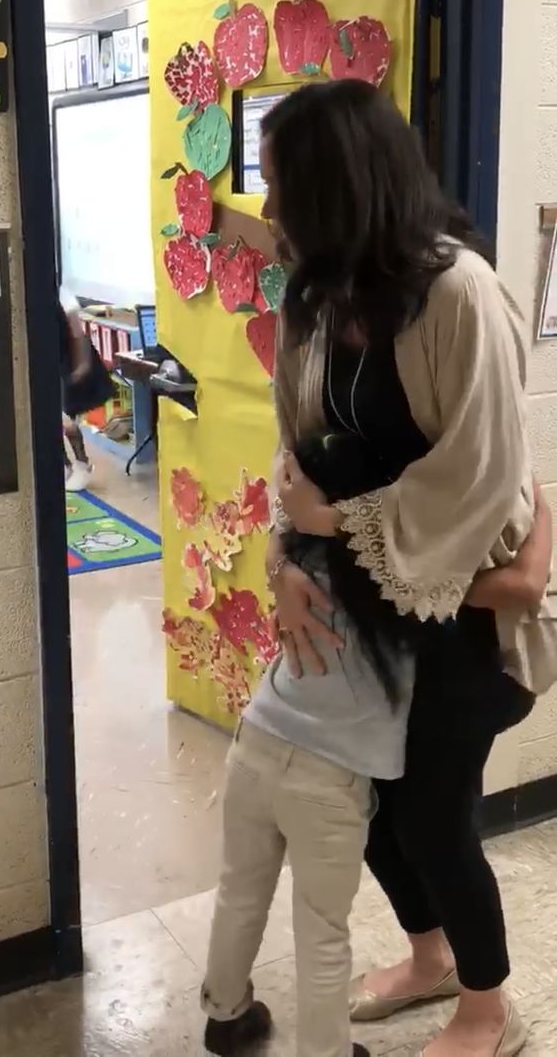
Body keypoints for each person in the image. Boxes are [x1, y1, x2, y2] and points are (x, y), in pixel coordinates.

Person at [261, 79, 552, 1057]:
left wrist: (333, 528)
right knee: (370, 802)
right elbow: (295, 448)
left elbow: (477, 479)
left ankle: (486, 1007)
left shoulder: (457, 291)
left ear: (336, 188)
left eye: (280, 188)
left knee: (431, 815)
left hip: (467, 614)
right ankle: (428, 958)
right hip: (371, 601)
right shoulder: (320, 292)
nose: (268, 212)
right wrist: (288, 557)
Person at [200, 427, 549, 1057]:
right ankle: (345, 1036)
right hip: (329, 779)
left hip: (257, 742)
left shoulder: (313, 557)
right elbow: (500, 580)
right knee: (327, 925)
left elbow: (521, 588)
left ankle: (225, 1014)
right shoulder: (391, 584)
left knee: (247, 888)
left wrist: (299, 534)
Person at [58, 284, 108, 492]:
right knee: (45, 421)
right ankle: (64, 466)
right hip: (46, 361)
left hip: (67, 362)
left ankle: (82, 464)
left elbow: (78, 334)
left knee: (66, 421)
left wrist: (81, 366)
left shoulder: (62, 294)